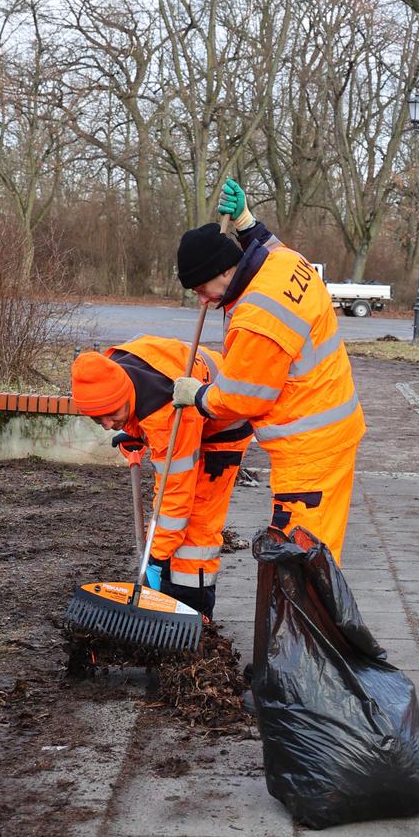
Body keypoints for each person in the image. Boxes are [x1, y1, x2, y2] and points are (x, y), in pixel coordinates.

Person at [172, 179, 365, 564]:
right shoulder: (285, 264)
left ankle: (308, 625)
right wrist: (247, 223)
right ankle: (315, 621)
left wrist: (195, 394)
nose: (203, 300)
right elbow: (271, 250)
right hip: (334, 428)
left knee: (304, 562)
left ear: (224, 272)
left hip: (307, 451)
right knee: (321, 552)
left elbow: (242, 397)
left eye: (200, 288)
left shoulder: (256, 317)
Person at [71, 335, 252, 619]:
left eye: (111, 415)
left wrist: (154, 558)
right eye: (98, 419)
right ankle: (167, 596)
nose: (106, 425)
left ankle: (196, 615)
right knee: (170, 535)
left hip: (224, 421)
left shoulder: (167, 414)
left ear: (125, 396)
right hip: (186, 404)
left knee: (196, 530)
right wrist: (134, 431)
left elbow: (175, 495)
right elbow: (137, 408)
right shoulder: (110, 371)